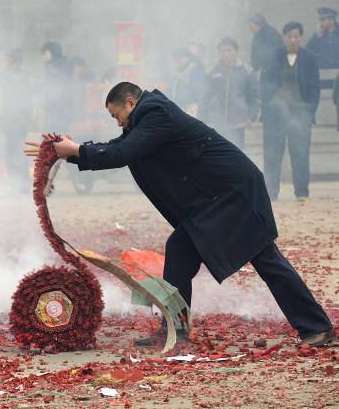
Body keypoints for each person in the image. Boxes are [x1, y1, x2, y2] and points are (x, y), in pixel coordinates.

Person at [24, 81, 335, 347]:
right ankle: (176, 329)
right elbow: (118, 147)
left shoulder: (155, 112)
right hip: (211, 200)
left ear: (130, 103)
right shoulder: (144, 119)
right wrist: (68, 152)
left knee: (266, 258)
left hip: (231, 194)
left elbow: (123, 153)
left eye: (116, 115)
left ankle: (317, 328)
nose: (117, 123)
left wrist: (76, 150)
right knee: (179, 250)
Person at [261, 22, 320, 201]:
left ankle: (302, 192)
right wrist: (270, 104)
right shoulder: (272, 56)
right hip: (275, 115)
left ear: (301, 37)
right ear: (284, 37)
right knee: (272, 155)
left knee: (300, 155)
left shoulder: (310, 58)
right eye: (289, 36)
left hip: (300, 113)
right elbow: (264, 85)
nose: (292, 39)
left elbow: (314, 89)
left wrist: (309, 112)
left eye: (296, 36)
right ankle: (271, 193)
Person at [199, 37, 260, 150]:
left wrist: (251, 116)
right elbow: (204, 97)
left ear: (236, 52)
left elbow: (254, 97)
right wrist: (201, 118)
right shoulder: (212, 71)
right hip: (215, 123)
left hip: (237, 123)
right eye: (222, 51)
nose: (225, 54)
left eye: (229, 50)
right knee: (216, 155)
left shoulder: (247, 71)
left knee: (236, 155)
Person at [0, 49, 32, 190]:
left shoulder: (18, 78)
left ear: (14, 62)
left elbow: (23, 102)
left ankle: (21, 183)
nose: (5, 62)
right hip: (10, 120)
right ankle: (15, 182)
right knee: (11, 151)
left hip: (17, 121)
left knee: (16, 152)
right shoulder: (8, 77)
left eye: (8, 59)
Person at [41, 41, 73, 132]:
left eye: (45, 53)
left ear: (53, 53)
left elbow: (62, 88)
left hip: (59, 108)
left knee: (57, 132)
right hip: (54, 106)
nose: (43, 56)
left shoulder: (58, 66)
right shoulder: (51, 66)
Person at [168, 48, 205, 116]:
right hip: (178, 107)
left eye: (181, 57)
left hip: (191, 107)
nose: (177, 60)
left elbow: (200, 92)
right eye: (176, 57)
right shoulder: (176, 73)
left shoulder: (195, 71)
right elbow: (171, 91)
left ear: (188, 58)